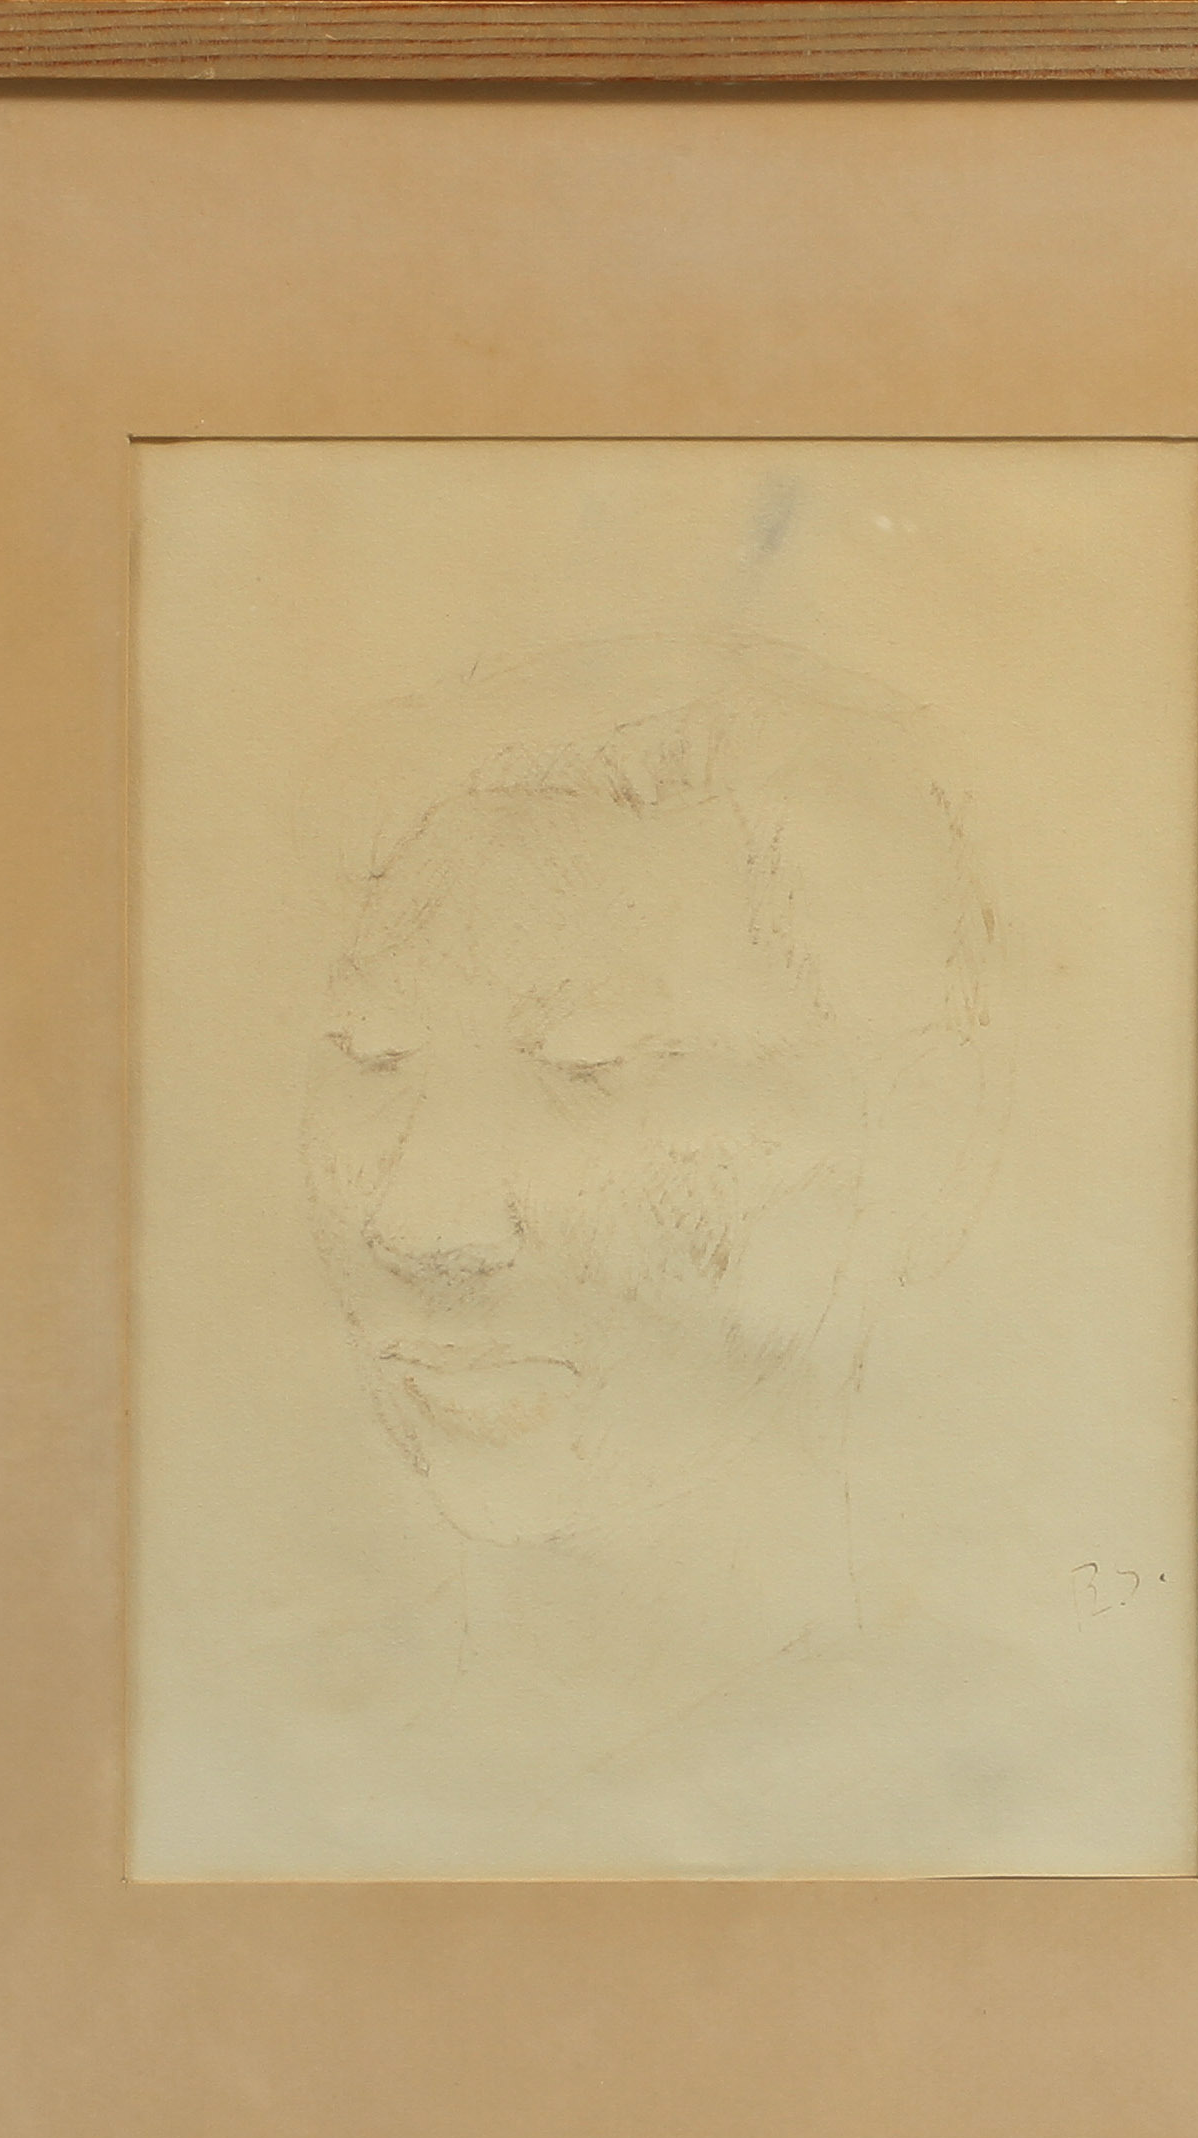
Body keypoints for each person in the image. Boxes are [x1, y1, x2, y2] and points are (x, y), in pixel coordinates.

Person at [297, 637, 1006, 1867]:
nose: (421, 1220)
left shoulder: (1015, 1780)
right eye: (371, 1053)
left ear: (925, 1139)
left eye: (590, 1067)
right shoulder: (276, 1750)